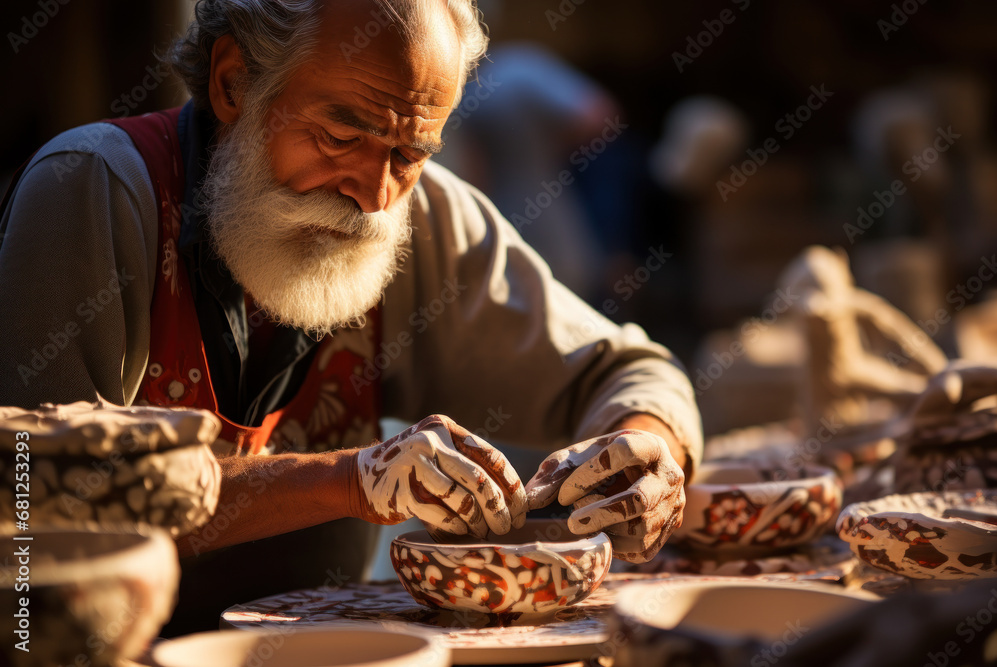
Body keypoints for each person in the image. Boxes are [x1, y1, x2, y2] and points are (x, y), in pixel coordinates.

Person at [0, 0, 701, 631]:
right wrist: (351, 478)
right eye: (342, 135)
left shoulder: (415, 219)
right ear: (233, 83)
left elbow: (630, 369)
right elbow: (37, 513)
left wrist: (648, 448)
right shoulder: (91, 189)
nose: (373, 196)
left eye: (410, 152)